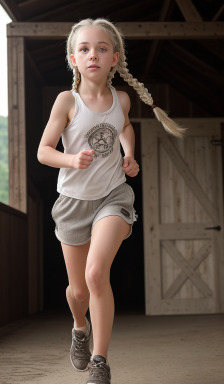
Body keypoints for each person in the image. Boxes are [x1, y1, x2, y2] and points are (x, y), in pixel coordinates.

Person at [37, 18, 185, 384]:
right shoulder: (66, 101)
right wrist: (71, 159)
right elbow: (43, 151)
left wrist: (129, 154)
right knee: (78, 291)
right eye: (85, 49)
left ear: (114, 58)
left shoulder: (121, 99)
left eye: (102, 49)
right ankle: (78, 327)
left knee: (95, 273)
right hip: (72, 202)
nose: (93, 55)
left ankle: (100, 363)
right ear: (74, 58)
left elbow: (126, 127)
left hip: (112, 197)